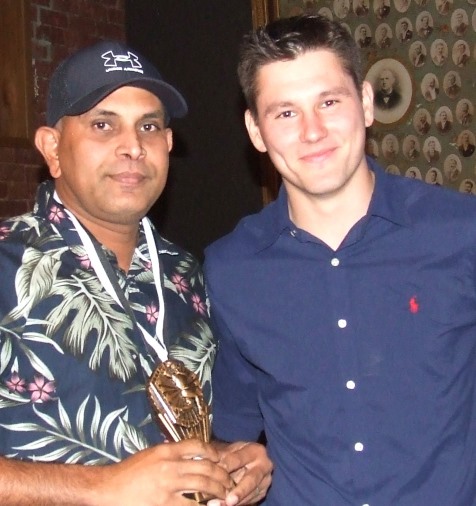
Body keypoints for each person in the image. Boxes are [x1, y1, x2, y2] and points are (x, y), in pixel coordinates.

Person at [204, 14, 476, 504]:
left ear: (366, 104)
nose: (312, 131)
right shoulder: (230, 269)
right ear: (256, 131)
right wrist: (238, 466)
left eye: (329, 102)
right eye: (285, 113)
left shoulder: (460, 233)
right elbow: (235, 429)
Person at [0, 40, 272, 506]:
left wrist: (235, 460)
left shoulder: (190, 276)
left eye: (149, 126)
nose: (132, 147)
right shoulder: (7, 263)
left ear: (167, 145)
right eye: (103, 125)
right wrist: (99, 488)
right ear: (52, 148)